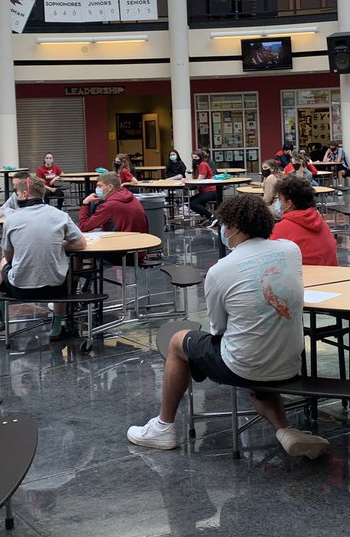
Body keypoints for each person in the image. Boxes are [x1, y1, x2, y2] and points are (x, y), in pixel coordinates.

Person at [126, 195, 329, 459]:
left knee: (178, 341)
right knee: (259, 359)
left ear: (234, 227)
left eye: (224, 223)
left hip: (243, 366)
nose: (222, 229)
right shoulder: (291, 251)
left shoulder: (220, 270)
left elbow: (218, 329)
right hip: (289, 364)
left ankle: (163, 427)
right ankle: (285, 430)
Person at [0, 176, 87, 340]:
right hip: (56, 289)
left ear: (24, 194)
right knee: (63, 268)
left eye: (17, 193)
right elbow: (81, 244)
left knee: (2, 262)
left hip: (19, 289)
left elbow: (8, 257)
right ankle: (56, 325)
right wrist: (59, 245)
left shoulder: (11, 219)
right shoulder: (60, 215)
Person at [270, 177, 337, 266]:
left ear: (289, 204)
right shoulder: (320, 222)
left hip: (304, 273)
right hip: (331, 272)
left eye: (280, 200)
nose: (279, 204)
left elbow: (270, 258)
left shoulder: (282, 228)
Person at [80, 172, 148, 233]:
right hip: (141, 239)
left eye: (99, 186)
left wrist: (85, 202)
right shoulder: (131, 196)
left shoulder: (109, 205)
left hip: (123, 241)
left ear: (110, 187)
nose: (97, 189)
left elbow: (83, 227)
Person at [188, 149, 218, 226]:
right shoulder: (200, 165)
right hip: (205, 191)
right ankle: (206, 217)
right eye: (193, 158)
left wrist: (187, 181)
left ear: (200, 157)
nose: (194, 160)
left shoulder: (203, 165)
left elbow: (199, 180)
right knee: (189, 200)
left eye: (196, 157)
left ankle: (212, 217)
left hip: (210, 191)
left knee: (193, 204)